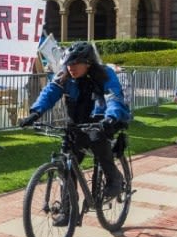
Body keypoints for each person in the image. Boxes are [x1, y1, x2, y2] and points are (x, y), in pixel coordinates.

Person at [19, 41, 132, 224]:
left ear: (88, 63)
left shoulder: (104, 74)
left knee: (98, 140)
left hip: (101, 119)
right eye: (68, 64)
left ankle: (114, 179)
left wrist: (111, 117)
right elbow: (50, 92)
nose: (70, 68)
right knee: (67, 166)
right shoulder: (65, 76)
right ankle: (68, 210)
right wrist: (35, 112)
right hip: (76, 122)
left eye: (75, 64)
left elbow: (113, 96)